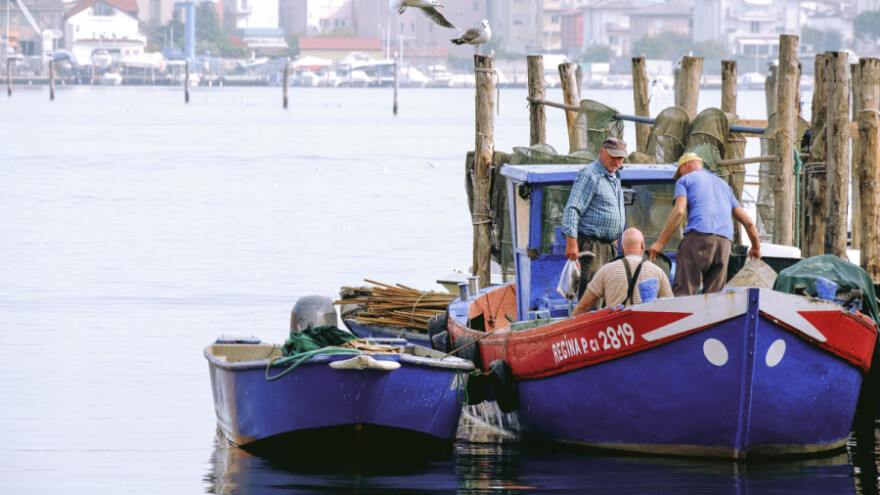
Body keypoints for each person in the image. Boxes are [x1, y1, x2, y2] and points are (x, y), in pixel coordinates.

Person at [648, 152, 761, 296]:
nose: (680, 175)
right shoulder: (724, 186)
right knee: (714, 298)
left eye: (680, 172)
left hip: (698, 239)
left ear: (686, 165)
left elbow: (679, 211)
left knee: (684, 294)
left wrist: (660, 243)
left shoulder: (685, 180)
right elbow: (748, 222)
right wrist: (756, 247)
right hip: (724, 244)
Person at [561, 137, 628, 299]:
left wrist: (616, 236)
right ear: (601, 153)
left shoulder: (614, 175)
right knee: (593, 295)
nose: (617, 161)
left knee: (608, 294)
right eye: (613, 156)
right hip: (592, 246)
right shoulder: (590, 175)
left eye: (620, 157)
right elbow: (572, 209)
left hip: (610, 246)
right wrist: (572, 244)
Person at [571, 228, 673, 316]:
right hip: (646, 328)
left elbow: (583, 307)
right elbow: (671, 307)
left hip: (616, 330)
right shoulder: (658, 272)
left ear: (621, 247)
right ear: (642, 246)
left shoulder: (606, 271)